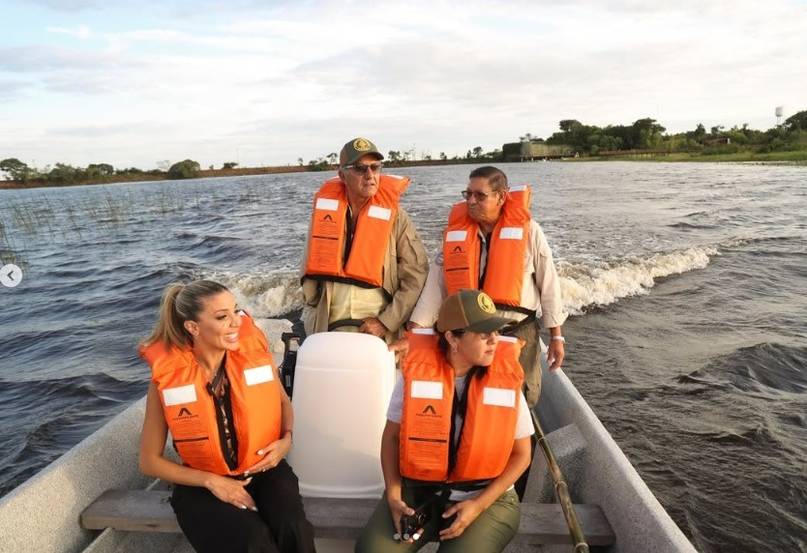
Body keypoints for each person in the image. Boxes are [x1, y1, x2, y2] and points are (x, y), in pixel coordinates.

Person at [138, 280, 316, 553]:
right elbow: (149, 462)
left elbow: (283, 403)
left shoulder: (255, 355)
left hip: (264, 470)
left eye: (236, 311)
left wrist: (286, 441)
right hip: (201, 483)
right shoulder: (167, 381)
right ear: (193, 327)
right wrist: (213, 482)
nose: (236, 323)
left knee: (294, 530)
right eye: (222, 317)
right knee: (253, 541)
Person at [355, 289, 534, 552]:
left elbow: (522, 455)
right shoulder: (416, 375)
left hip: (487, 499)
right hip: (419, 492)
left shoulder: (505, 380)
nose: (495, 341)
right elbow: (391, 438)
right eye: (484, 334)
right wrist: (393, 496)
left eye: (497, 332)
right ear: (452, 338)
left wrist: (478, 506)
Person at [409, 165, 567, 407]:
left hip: (517, 331)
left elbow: (549, 282)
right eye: (467, 194)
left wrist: (557, 337)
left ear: (501, 197)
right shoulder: (455, 235)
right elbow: (436, 286)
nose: (471, 201)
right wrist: (415, 330)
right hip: (471, 335)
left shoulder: (530, 232)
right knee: (471, 400)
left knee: (519, 398)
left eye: (480, 195)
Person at [300, 137, 428, 342]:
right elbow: (308, 274)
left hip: (379, 328)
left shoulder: (397, 217)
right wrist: (312, 312)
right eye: (360, 168)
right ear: (342, 174)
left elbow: (416, 275)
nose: (370, 175)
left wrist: (386, 322)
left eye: (375, 167)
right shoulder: (324, 215)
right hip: (329, 325)